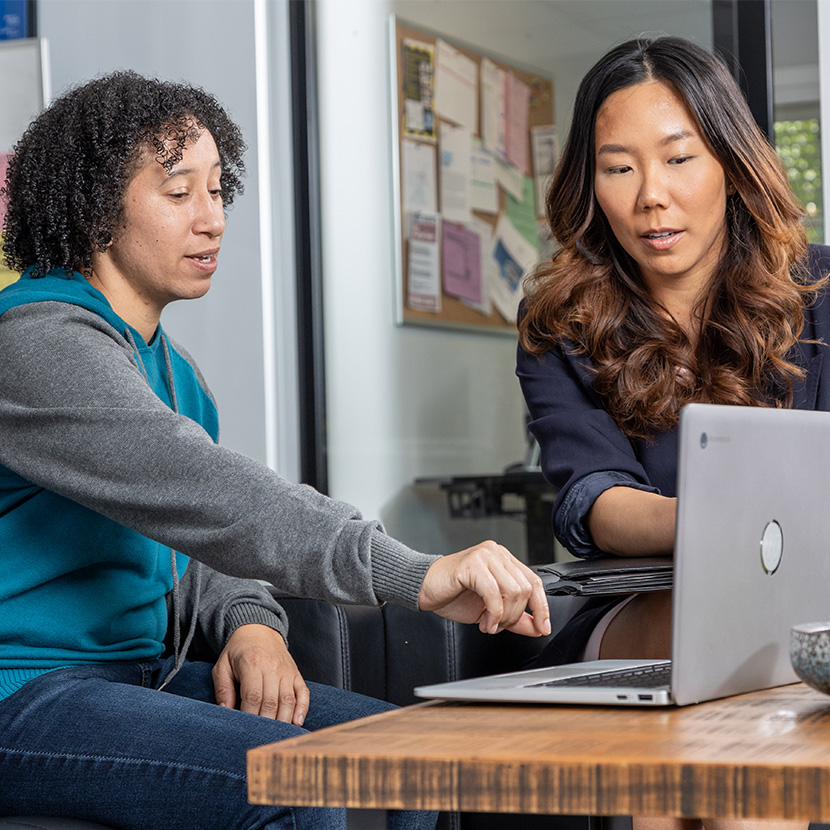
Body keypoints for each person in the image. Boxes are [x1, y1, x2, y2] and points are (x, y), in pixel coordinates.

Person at [0, 71, 550, 829]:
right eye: (178, 192)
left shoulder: (175, 372)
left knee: (415, 754)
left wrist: (252, 623)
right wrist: (413, 573)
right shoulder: (33, 345)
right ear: (96, 210)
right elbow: (208, 492)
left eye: (218, 191)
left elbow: (193, 544)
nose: (212, 219)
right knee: (297, 785)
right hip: (24, 692)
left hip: (139, 678)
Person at [516, 35, 826, 830]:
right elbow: (594, 497)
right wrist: (721, 528)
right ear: (592, 186)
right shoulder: (560, 326)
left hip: (810, 612)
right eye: (619, 168)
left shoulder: (820, 295)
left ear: (731, 164)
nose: (651, 195)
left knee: (722, 786)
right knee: (731, 694)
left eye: (679, 159)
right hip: (643, 610)